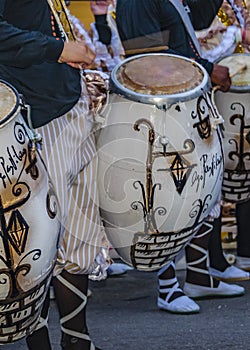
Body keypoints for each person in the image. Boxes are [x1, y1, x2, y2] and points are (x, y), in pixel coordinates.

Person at [115, 0, 248, 314]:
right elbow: (146, 61)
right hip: (159, 110)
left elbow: (198, 19)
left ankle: (200, 276)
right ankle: (167, 288)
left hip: (183, 103)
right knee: (165, 196)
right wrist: (206, 68)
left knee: (199, 191)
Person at [0, 1, 110, 349]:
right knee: (37, 241)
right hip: (34, 117)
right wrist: (60, 49)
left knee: (78, 235)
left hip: (68, 103)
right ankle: (40, 343)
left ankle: (78, 341)